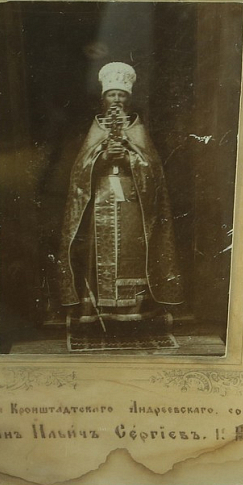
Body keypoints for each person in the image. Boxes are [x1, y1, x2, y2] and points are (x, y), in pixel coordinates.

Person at [54, 61, 183, 332]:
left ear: (128, 99)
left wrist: (128, 158)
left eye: (121, 95)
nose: (117, 100)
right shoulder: (96, 128)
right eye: (112, 94)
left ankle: (135, 311)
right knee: (96, 252)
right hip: (100, 198)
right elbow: (80, 171)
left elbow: (152, 171)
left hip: (131, 202)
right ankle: (97, 310)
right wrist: (101, 158)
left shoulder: (137, 128)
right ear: (104, 99)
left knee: (133, 250)